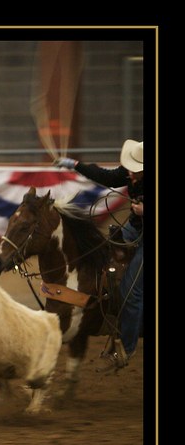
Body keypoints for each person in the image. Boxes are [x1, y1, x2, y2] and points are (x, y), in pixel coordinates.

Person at [56, 139, 145, 367]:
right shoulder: (128, 172)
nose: (131, 176)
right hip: (134, 227)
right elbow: (107, 177)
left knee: (131, 291)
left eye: (136, 172)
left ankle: (127, 348)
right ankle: (108, 319)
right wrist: (76, 164)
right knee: (104, 264)